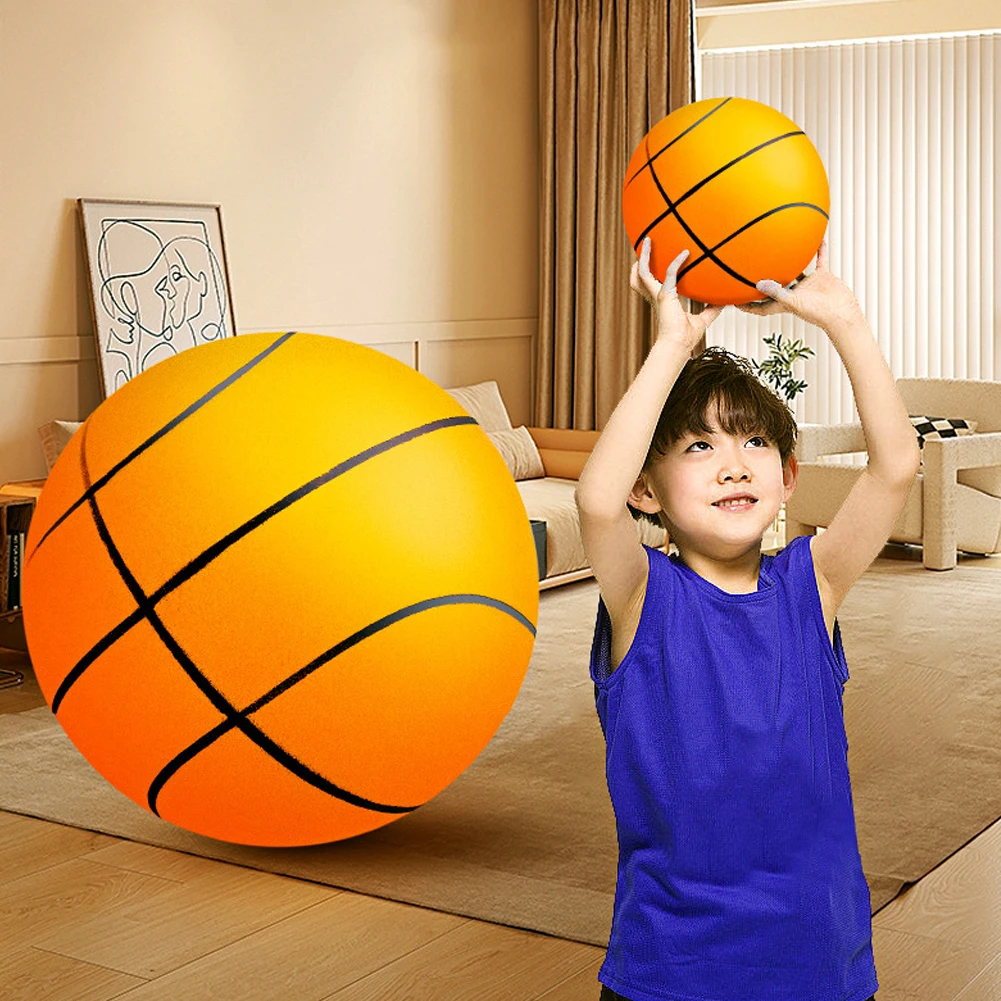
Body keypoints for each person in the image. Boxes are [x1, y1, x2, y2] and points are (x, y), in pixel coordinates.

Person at [576, 235, 920, 1001]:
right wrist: (671, 344)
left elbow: (895, 465)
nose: (734, 462)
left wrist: (847, 324)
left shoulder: (812, 585)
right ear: (646, 489)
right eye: (698, 446)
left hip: (816, 960)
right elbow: (593, 500)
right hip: (670, 968)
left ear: (787, 475)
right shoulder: (642, 599)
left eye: (755, 442)